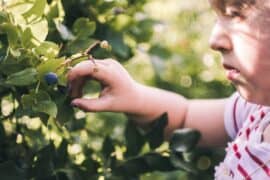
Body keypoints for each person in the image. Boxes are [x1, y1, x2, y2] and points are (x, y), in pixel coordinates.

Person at [67, 0, 270, 179]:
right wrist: (134, 96)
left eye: (236, 15)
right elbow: (184, 117)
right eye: (218, 18)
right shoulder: (256, 111)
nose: (214, 40)